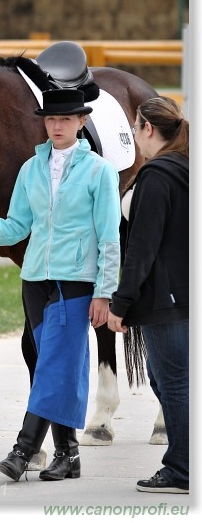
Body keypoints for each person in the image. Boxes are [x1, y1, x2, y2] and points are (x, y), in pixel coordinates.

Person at [0, 89, 121, 482]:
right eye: (52, 119)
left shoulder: (99, 172)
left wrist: (105, 292)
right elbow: (16, 226)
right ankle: (68, 455)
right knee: (58, 369)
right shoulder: (31, 170)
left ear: (81, 122)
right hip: (35, 281)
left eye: (66, 119)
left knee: (54, 368)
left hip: (75, 282)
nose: (57, 126)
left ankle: (23, 450)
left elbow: (109, 237)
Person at [107, 96, 189, 494]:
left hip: (165, 298)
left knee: (172, 384)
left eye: (135, 127)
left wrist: (121, 303)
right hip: (182, 294)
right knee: (174, 382)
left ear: (148, 129)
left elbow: (143, 245)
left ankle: (182, 470)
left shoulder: (158, 174)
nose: (134, 135)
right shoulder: (185, 167)